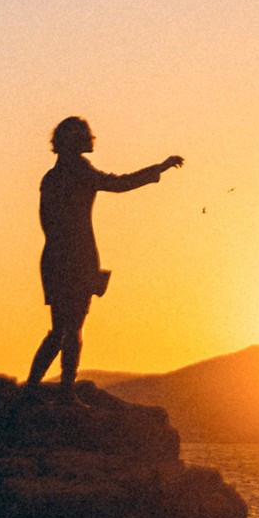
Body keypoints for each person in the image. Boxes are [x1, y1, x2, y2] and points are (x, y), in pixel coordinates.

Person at [24, 116, 182, 400]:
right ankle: (62, 393)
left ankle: (34, 389)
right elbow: (120, 184)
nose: (90, 139)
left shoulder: (52, 177)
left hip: (58, 256)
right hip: (76, 256)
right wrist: (158, 169)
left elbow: (45, 221)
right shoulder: (79, 172)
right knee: (71, 330)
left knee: (61, 329)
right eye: (84, 135)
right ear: (74, 142)